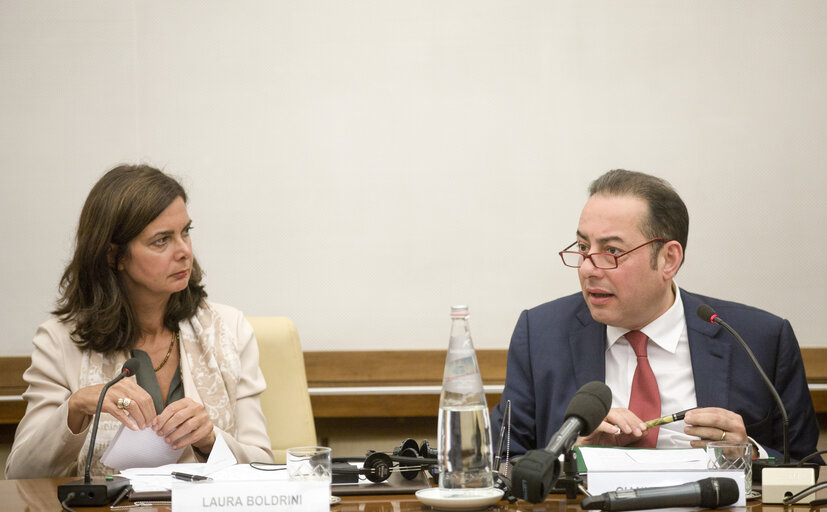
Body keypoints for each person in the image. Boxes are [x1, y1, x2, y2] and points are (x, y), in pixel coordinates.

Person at [490, 169, 819, 461]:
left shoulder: (758, 339)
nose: (588, 267)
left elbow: (806, 469)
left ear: (668, 260)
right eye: (583, 246)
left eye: (612, 251)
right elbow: (502, 461)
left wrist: (749, 454)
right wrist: (573, 458)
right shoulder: (541, 334)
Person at [5, 164, 273, 479]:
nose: (185, 251)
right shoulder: (60, 341)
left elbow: (264, 467)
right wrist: (75, 408)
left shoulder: (228, 328)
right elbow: (21, 474)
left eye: (185, 232)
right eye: (162, 240)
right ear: (113, 255)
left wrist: (210, 439)